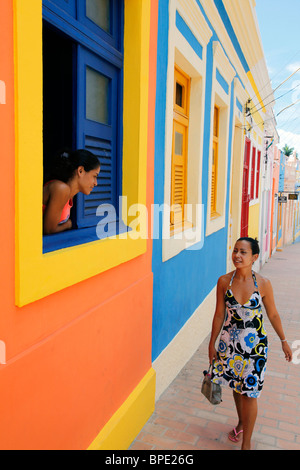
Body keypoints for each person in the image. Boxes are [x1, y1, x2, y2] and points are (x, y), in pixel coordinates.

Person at [208, 237, 292, 450]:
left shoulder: (263, 283)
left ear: (254, 257)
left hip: (256, 348)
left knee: (250, 393)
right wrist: (212, 343)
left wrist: (284, 341)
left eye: (243, 252)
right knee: (237, 388)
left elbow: (272, 314)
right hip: (229, 346)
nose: (237, 255)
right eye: (235, 250)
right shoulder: (224, 281)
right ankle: (241, 422)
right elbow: (219, 315)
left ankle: (247, 443)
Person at [43, 149, 100, 234]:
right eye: (94, 176)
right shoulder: (61, 189)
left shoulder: (69, 196)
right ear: (80, 171)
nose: (96, 183)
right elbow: (48, 230)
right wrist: (68, 225)